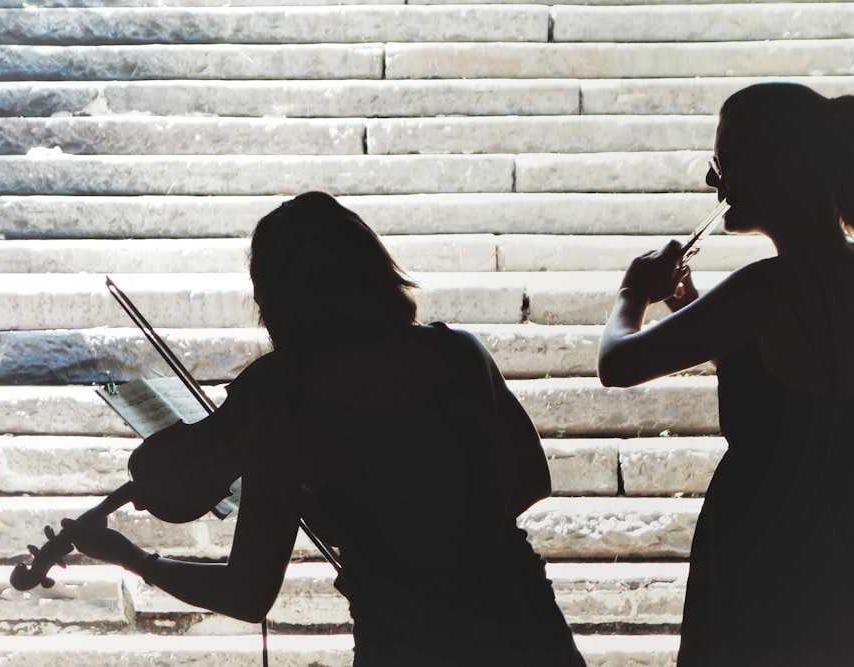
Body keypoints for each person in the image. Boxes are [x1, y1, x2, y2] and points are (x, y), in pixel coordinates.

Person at [63, 191, 585, 666]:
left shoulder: (284, 404)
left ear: (275, 299)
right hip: (530, 632)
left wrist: (135, 558)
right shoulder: (458, 352)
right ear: (373, 268)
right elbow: (531, 479)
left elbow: (247, 593)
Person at [597, 83, 854, 666]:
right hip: (838, 533)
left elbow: (618, 363)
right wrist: (690, 307)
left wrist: (631, 293)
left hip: (762, 534)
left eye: (727, 161)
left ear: (782, 165)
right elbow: (792, 377)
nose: (715, 182)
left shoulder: (767, 285)